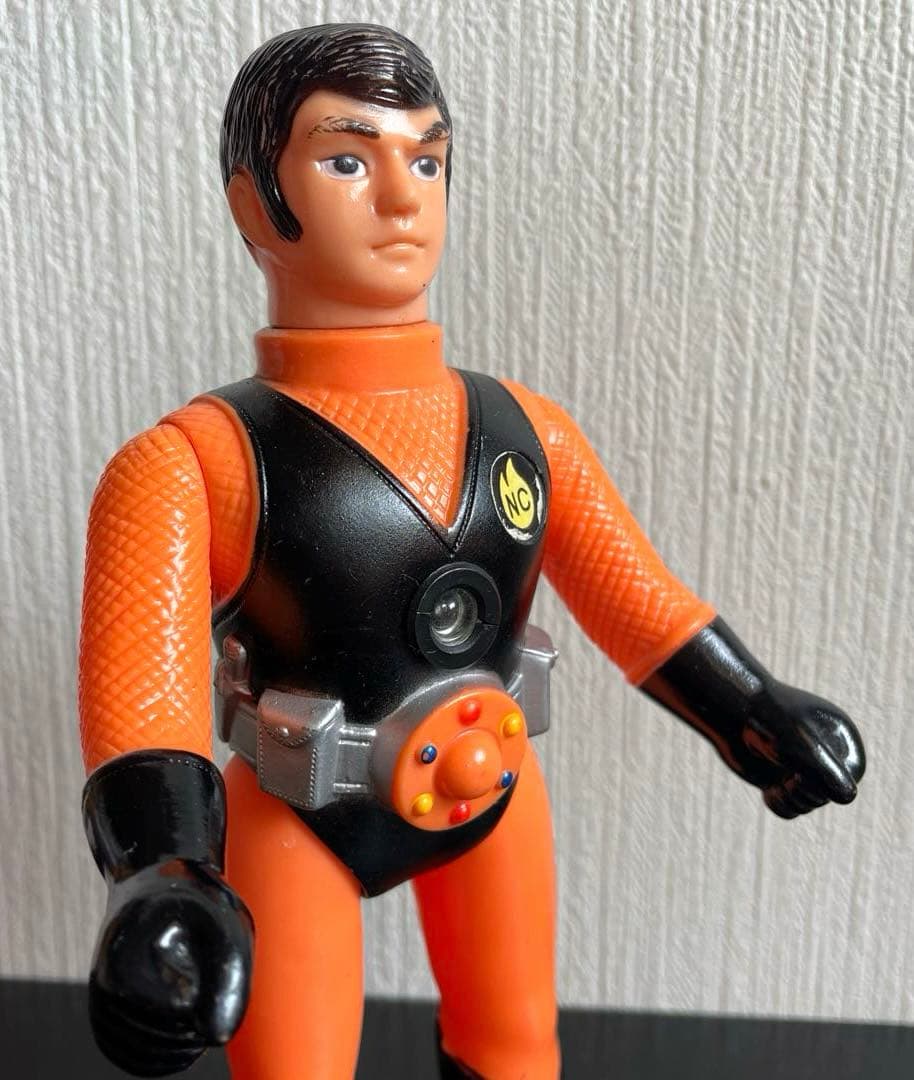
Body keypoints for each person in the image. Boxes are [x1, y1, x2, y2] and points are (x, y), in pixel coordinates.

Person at [79, 23, 865, 1080]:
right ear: (255, 203)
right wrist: (162, 868)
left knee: (514, 1047)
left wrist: (751, 708)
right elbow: (143, 692)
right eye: (347, 160)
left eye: (428, 160)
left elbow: (634, 598)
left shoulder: (527, 432)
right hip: (300, 811)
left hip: (490, 787)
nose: (401, 199)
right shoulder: (195, 463)